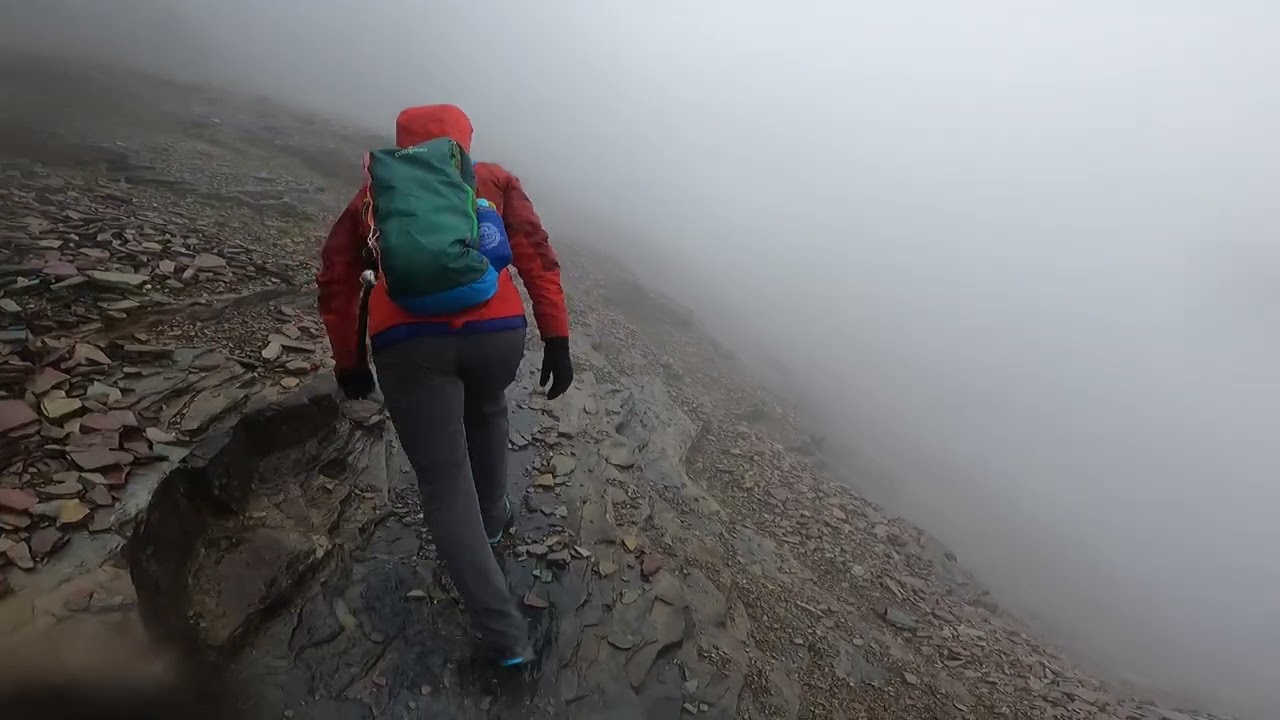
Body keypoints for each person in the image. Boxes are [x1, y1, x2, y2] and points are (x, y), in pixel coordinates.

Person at [316, 104, 574, 666]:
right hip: (497, 333)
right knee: (488, 406)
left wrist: (350, 363)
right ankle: (494, 521)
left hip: (409, 343)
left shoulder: (376, 194)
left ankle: (504, 636)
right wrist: (556, 336)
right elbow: (536, 255)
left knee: (443, 482)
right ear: (463, 141)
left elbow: (337, 278)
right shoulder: (494, 180)